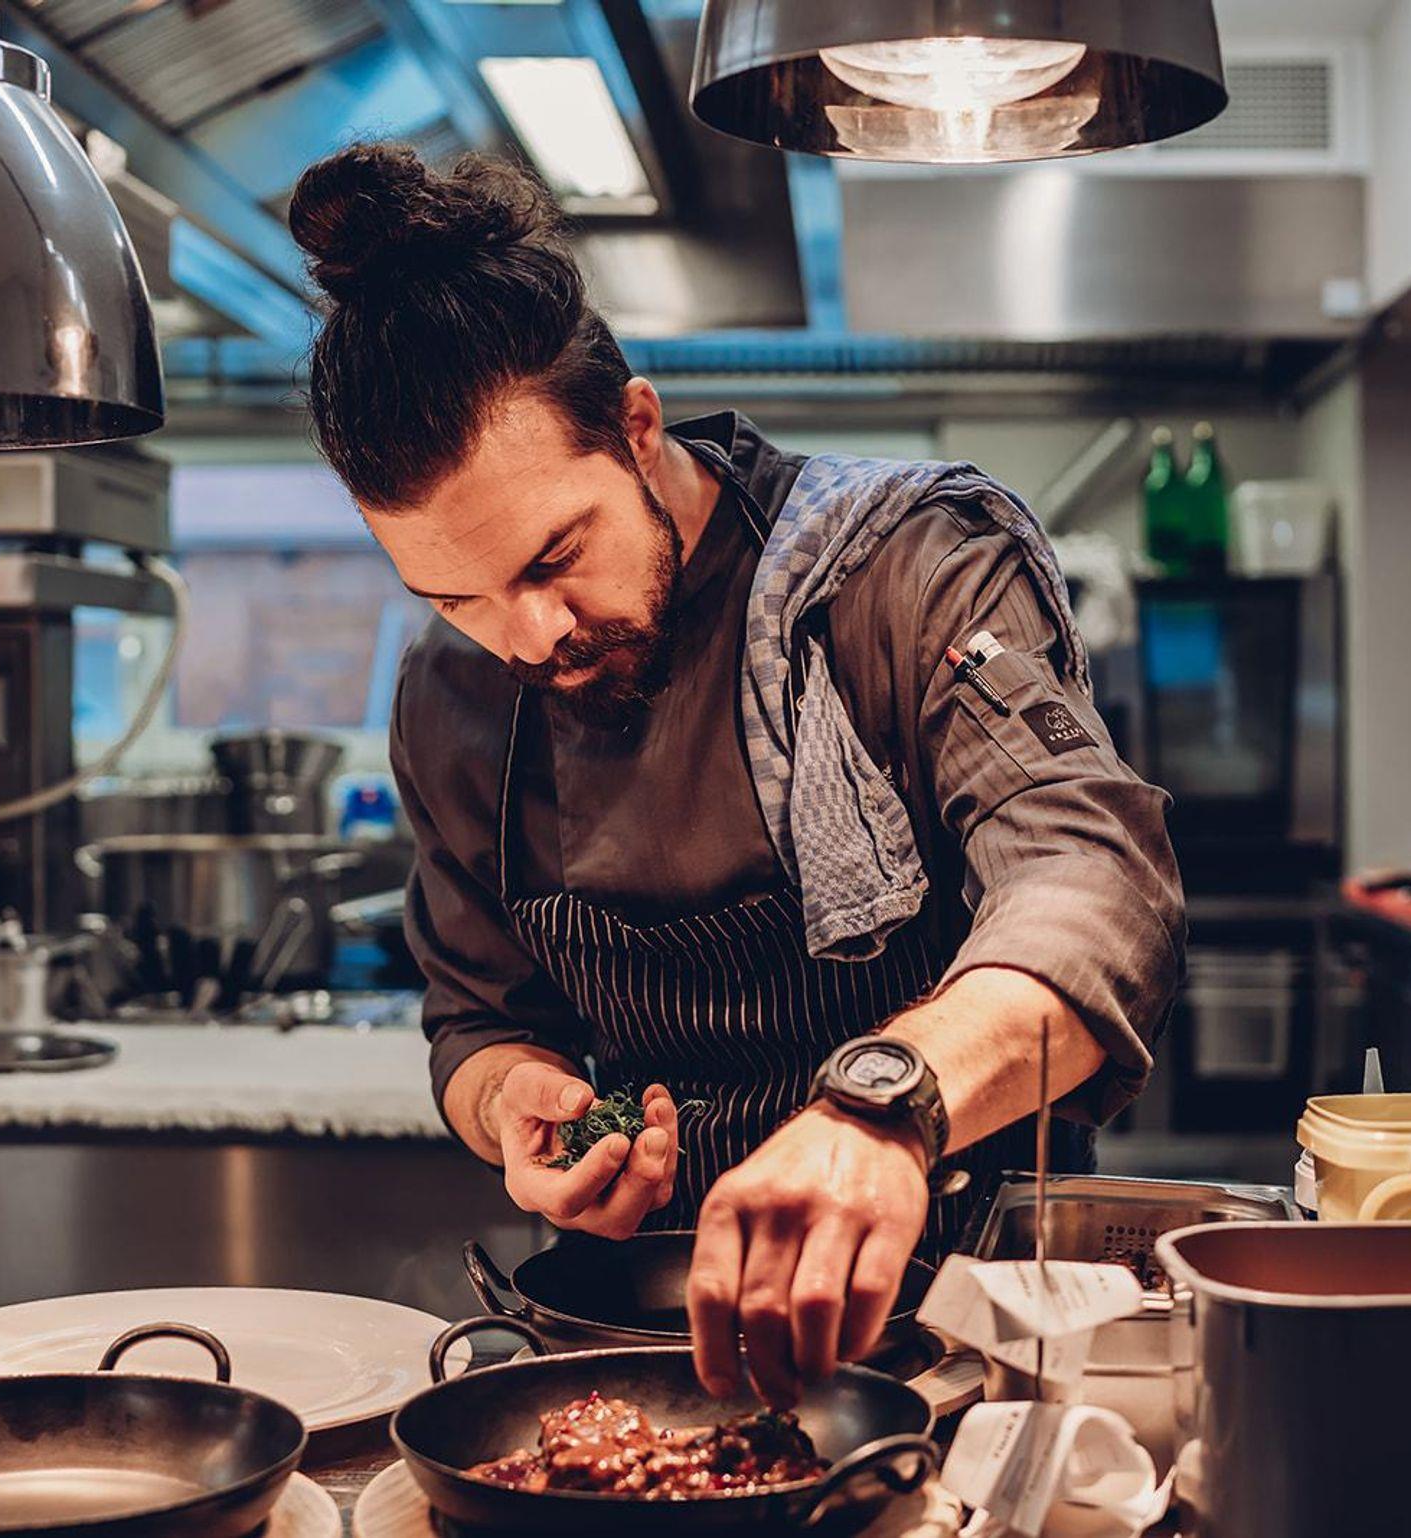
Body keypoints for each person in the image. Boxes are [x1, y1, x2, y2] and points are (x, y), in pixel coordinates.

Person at [285, 143, 1184, 1405]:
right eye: (454, 595)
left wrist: (884, 1107)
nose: (528, 636)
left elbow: (1094, 883)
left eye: (554, 558)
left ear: (637, 428)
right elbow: (477, 1019)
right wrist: (512, 1107)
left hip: (962, 1319)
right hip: (633, 1344)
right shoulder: (450, 694)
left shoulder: (900, 570)